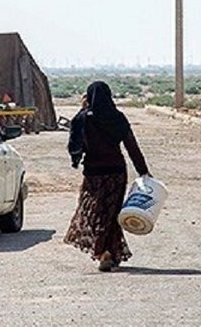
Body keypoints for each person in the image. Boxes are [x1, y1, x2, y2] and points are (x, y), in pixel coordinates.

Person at [63, 80, 151, 272]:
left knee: (92, 211)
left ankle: (104, 253)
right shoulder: (118, 118)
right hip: (116, 172)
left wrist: (76, 159)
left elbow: (74, 146)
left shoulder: (82, 119)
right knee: (111, 213)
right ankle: (108, 252)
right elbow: (131, 146)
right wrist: (143, 171)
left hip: (93, 173)